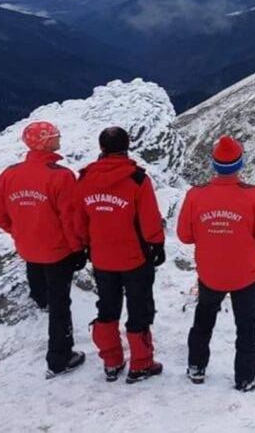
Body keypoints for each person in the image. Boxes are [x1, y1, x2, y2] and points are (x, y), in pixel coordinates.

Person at [177, 135, 255, 391]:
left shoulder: (195, 195)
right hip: (246, 274)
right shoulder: (254, 195)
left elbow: (184, 235)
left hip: (210, 273)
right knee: (246, 326)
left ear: (214, 164)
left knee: (203, 320)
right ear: (239, 164)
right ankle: (245, 378)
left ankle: (196, 367)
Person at [0, 120, 87, 378]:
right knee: (60, 305)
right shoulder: (60, 176)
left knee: (39, 283)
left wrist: (20, 232)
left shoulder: (9, 174)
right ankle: (59, 359)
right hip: (58, 251)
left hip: (28, 248)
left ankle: (41, 302)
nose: (59, 137)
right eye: (55, 135)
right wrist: (78, 248)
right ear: (46, 142)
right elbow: (70, 219)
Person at [73, 126, 166, 383]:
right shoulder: (137, 179)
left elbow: (78, 219)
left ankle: (112, 361)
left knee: (107, 308)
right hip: (135, 257)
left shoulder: (84, 179)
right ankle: (141, 364)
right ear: (127, 146)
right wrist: (157, 244)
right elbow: (149, 218)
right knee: (139, 309)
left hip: (102, 257)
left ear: (101, 148)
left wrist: (82, 245)